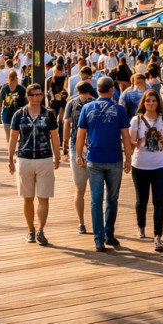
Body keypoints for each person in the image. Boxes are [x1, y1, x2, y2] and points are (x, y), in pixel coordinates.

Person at [76, 76, 132, 251]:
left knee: (96, 199)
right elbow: (126, 136)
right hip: (114, 158)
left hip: (94, 158)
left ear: (97, 90)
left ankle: (98, 238)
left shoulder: (87, 108)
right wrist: (128, 158)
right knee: (112, 199)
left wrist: (79, 155)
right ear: (111, 90)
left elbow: (80, 135)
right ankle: (109, 233)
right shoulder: (120, 110)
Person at [8, 84, 61, 245]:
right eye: (33, 95)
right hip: (24, 159)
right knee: (27, 198)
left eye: (39, 94)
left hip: (44, 158)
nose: (36, 98)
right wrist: (10, 159)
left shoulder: (49, 115)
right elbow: (13, 138)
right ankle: (30, 229)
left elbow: (55, 137)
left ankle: (40, 230)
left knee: (44, 197)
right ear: (27, 96)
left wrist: (57, 157)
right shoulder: (19, 114)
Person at [130, 88, 163, 252]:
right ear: (144, 102)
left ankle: (158, 237)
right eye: (148, 100)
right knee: (141, 200)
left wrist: (162, 139)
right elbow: (130, 141)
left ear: (158, 103)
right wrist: (145, 140)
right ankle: (141, 226)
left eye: (154, 100)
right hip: (140, 165)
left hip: (161, 165)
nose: (151, 103)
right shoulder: (137, 120)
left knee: (159, 201)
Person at [63, 80, 95, 235]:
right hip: (94, 148)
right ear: (91, 90)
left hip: (76, 147)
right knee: (96, 191)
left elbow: (66, 124)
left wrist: (64, 144)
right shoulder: (95, 104)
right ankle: (97, 221)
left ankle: (81, 223)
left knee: (79, 190)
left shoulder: (71, 103)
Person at [0, 70, 26, 143]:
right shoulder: (6, 89)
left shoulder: (21, 89)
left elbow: (0, 103)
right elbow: (0, 102)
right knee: (12, 135)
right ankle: (12, 150)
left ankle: (11, 150)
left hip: (12, 114)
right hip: (13, 114)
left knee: (10, 136)